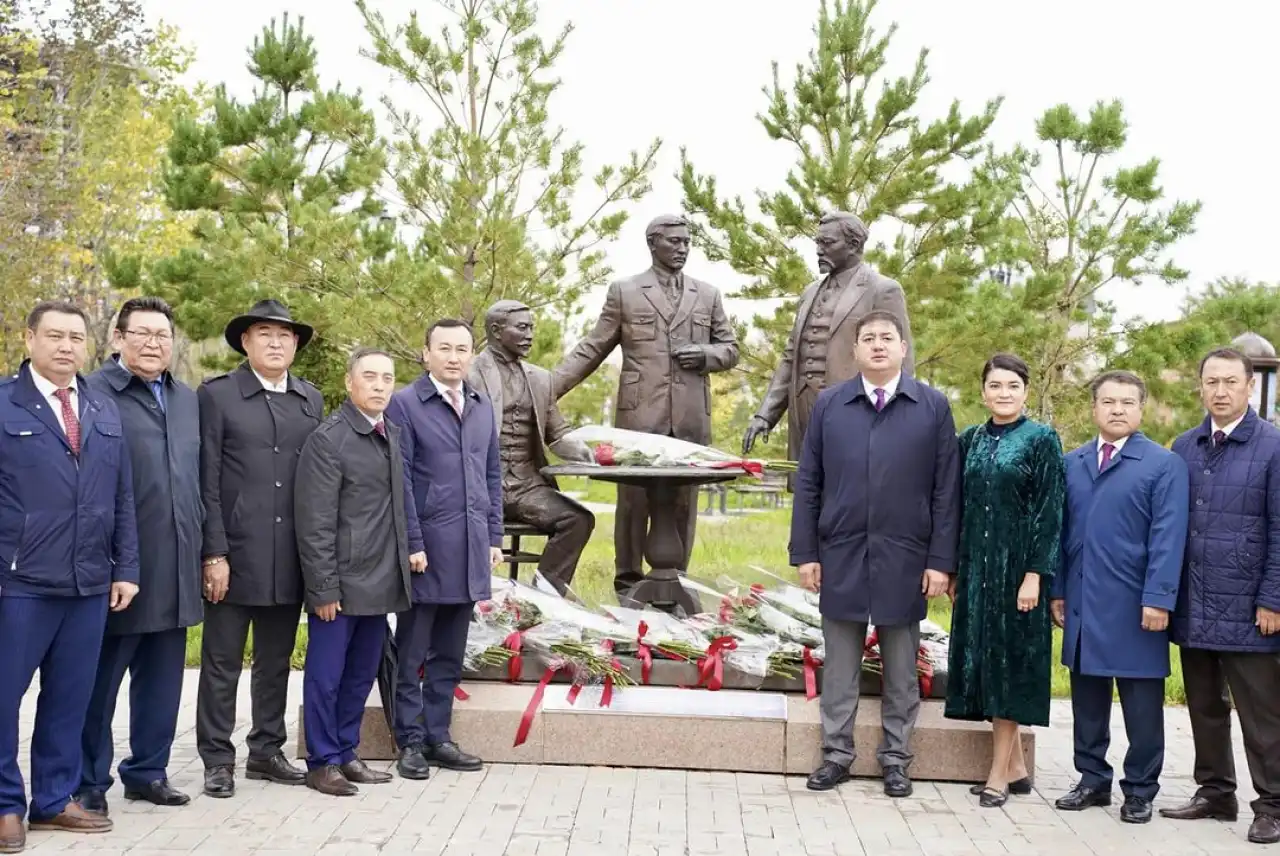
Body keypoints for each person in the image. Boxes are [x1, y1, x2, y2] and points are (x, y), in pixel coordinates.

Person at [789, 309, 960, 797]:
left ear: (904, 348)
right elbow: (809, 482)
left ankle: (896, 759)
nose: (879, 345)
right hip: (840, 553)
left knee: (902, 670)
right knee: (839, 666)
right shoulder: (830, 405)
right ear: (855, 351)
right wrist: (806, 552)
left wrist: (940, 562)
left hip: (906, 558)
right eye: (869, 338)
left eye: (888, 337)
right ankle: (836, 756)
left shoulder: (931, 406)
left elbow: (946, 492)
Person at [0, 301, 140, 851]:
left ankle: (54, 800)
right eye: (54, 335)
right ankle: (6, 804)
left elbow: (122, 497)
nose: (65, 346)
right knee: (4, 696)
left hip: (88, 583)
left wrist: (125, 568)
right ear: (29, 338)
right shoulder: (6, 405)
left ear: (89, 345)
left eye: (75, 338)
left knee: (68, 698)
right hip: (19, 583)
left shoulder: (103, 410)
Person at [552, 214, 738, 599]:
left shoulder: (708, 294)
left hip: (688, 417)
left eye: (687, 242)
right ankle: (629, 584)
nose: (683, 248)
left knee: (684, 504)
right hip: (639, 418)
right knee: (633, 502)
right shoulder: (626, 291)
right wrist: (545, 389)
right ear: (653, 243)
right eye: (674, 241)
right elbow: (592, 348)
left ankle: (675, 583)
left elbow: (731, 349)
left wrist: (705, 355)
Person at [78, 297, 203, 816]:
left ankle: (148, 772)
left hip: (178, 563)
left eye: (163, 336)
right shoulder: (93, 394)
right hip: (119, 569)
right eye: (143, 334)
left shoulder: (186, 398)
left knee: (163, 683)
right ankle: (86, 781)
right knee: (98, 686)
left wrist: (209, 551)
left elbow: (200, 479)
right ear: (118, 338)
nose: (154, 344)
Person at [195, 299, 325, 798]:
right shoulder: (218, 396)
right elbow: (206, 481)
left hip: (288, 556)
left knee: (276, 659)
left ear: (295, 346)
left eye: (286, 336)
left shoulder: (309, 399)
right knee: (222, 661)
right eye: (265, 334)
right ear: (246, 342)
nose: (276, 343)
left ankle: (267, 751)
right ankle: (217, 758)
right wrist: (214, 552)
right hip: (233, 554)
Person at [1050, 370, 1188, 824]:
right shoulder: (1073, 462)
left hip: (1136, 604)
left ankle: (1141, 789)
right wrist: (1057, 590)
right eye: (1108, 402)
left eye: (1127, 402)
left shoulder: (1162, 465)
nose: (1117, 410)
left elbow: (1169, 537)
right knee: (1087, 699)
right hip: (1084, 599)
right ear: (1094, 408)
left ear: (1140, 409)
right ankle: (1092, 780)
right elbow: (1060, 533)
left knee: (1142, 704)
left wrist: (1159, 598)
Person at [1163, 347, 1280, 845]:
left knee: (1263, 715)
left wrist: (1273, 598)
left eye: (1231, 381)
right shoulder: (1184, 446)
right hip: (1195, 602)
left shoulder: (1273, 446)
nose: (1220, 391)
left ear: (1249, 386)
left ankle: (1273, 804)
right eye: (1211, 381)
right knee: (1205, 706)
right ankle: (1215, 792)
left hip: (1250, 608)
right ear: (1201, 386)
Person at [944, 353, 1065, 807]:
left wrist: (1035, 574)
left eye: (1012, 385)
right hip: (977, 571)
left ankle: (997, 774)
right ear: (983, 392)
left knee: (1010, 666)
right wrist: (956, 568)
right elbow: (957, 506)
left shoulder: (1041, 440)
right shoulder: (970, 440)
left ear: (1026, 391)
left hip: (1020, 573)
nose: (1004, 393)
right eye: (995, 385)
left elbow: (1050, 513)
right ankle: (1016, 767)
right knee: (985, 664)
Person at [385, 319, 503, 780]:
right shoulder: (406, 405)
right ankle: (409, 741)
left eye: (462, 349)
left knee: (449, 655)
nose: (454, 357)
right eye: (445, 348)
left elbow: (493, 476)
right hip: (427, 551)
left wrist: (493, 536)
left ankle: (438, 737)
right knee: (413, 653)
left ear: (471, 355)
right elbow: (399, 483)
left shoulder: (480, 405)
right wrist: (412, 542)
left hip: (471, 549)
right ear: (426, 353)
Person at [295, 348, 412, 797]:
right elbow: (315, 521)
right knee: (327, 676)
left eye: (388, 377)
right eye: (370, 377)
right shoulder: (330, 439)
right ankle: (321, 762)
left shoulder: (392, 434)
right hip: (340, 584)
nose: (380, 385)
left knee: (361, 674)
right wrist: (323, 587)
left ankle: (346, 752)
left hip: (381, 580)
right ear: (350, 384)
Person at [742, 211, 914, 463]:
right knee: (808, 490)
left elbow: (901, 358)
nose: (819, 251)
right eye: (817, 243)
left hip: (857, 410)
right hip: (804, 409)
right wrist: (765, 414)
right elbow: (791, 357)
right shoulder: (810, 292)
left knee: (853, 489)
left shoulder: (883, 289)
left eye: (827, 243)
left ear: (854, 244)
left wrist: (898, 420)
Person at [468, 300, 594, 594]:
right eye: (522, 328)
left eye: (532, 328)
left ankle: (542, 600)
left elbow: (557, 433)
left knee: (578, 520)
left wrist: (584, 452)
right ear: (497, 331)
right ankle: (473, 604)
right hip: (482, 486)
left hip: (527, 486)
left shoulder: (541, 378)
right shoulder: (469, 373)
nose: (530, 335)